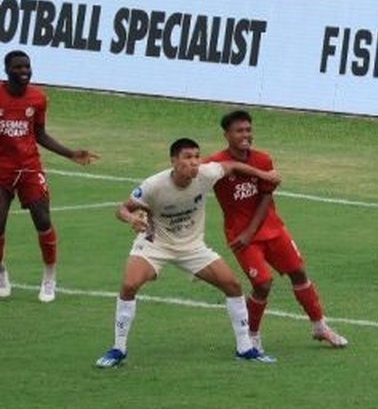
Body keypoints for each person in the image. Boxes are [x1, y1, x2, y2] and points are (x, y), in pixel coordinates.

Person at [95, 138, 281, 367]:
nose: (194, 162)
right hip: (156, 244)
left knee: (232, 285)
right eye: (188, 157)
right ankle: (118, 349)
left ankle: (245, 348)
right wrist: (132, 218)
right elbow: (122, 209)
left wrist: (264, 175)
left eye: (197, 156)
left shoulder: (206, 173)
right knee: (129, 286)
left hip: (192, 247)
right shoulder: (154, 185)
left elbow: (232, 165)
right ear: (174, 161)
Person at [208, 110, 348, 351]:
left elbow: (265, 196)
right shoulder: (214, 164)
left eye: (248, 130)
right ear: (226, 134)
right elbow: (190, 175)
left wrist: (252, 230)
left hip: (270, 229)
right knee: (262, 284)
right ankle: (251, 337)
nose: (246, 135)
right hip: (242, 237)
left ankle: (319, 326)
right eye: (239, 130)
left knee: (298, 273)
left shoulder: (263, 159)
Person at [0, 50, 99, 303]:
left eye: (27, 67)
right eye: (18, 67)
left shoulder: (38, 98)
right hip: (2, 169)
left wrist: (70, 154)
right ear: (7, 70)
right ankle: (1, 273)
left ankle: (49, 276)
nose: (24, 71)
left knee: (43, 220)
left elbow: (40, 134)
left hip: (30, 168)